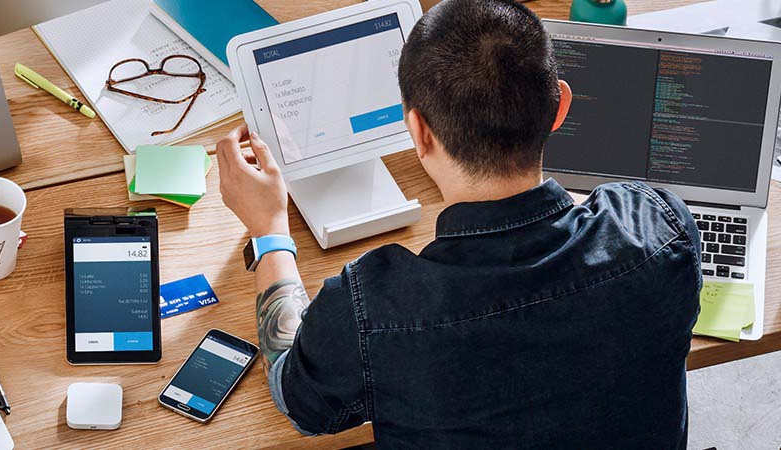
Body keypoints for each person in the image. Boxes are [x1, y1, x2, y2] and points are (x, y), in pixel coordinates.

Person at [216, 0, 701, 447]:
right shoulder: (660, 230)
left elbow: (297, 398)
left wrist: (268, 229)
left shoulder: (372, 310)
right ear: (560, 107)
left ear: (418, 131)